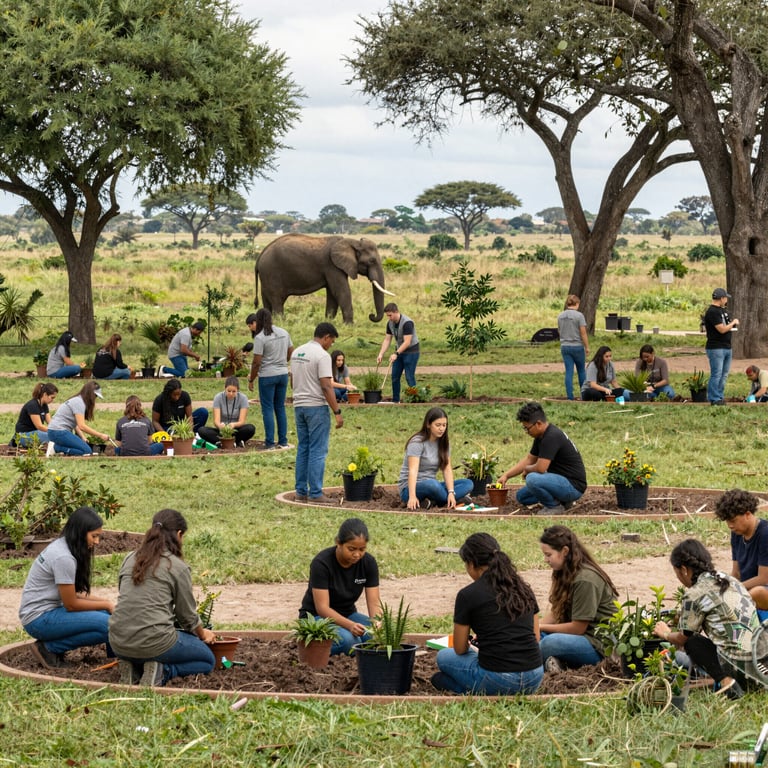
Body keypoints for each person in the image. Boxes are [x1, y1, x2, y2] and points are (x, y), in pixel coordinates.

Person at [109, 509, 216, 686]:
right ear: (179, 534)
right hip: (156, 642)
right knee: (206, 660)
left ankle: (133, 668)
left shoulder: (129, 558)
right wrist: (203, 633)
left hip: (118, 642)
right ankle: (163, 672)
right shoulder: (177, 566)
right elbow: (186, 616)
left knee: (146, 648)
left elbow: (126, 596)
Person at [431, 532, 544, 695]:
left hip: (499, 677)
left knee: (443, 657)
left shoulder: (467, 595)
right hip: (534, 676)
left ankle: (471, 690)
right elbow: (536, 637)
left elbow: (460, 649)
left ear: (471, 564)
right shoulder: (523, 588)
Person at [653, 538, 763, 699]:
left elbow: (683, 639)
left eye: (677, 573)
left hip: (740, 666)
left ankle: (727, 683)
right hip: (761, 661)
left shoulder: (694, 593)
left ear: (683, 570)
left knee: (693, 642)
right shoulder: (730, 580)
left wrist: (665, 633)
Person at [19, 506, 114, 669]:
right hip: (39, 619)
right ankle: (49, 648)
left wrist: (107, 603)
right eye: (94, 536)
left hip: (48, 612)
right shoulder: (63, 557)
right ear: (80, 532)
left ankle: (116, 658)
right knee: (111, 624)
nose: (97, 542)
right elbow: (71, 604)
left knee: (110, 617)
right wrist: (107, 605)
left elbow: (74, 594)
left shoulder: (64, 545)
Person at [538, 525, 619, 671]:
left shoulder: (585, 579)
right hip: (578, 638)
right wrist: (534, 629)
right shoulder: (565, 571)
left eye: (548, 555)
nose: (545, 559)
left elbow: (578, 628)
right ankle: (557, 662)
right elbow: (557, 612)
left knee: (548, 643)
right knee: (535, 637)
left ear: (564, 551)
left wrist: (541, 627)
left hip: (598, 645)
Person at [298, 518, 381, 656]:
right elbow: (322, 608)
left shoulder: (368, 563)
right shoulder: (322, 563)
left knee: (376, 637)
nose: (357, 554)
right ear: (338, 543)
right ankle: (309, 647)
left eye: (362, 549)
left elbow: (374, 602)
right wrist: (349, 625)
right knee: (350, 641)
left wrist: (377, 623)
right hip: (317, 618)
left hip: (348, 614)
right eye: (351, 549)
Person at [498, 402, 587, 514]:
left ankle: (554, 506)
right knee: (522, 496)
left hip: (573, 486)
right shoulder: (540, 436)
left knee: (532, 479)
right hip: (559, 481)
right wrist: (506, 475)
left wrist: (527, 469)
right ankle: (563, 502)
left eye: (527, 428)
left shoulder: (551, 437)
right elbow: (529, 459)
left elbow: (540, 468)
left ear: (538, 424)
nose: (526, 432)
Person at [290, 322, 343, 504]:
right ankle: (316, 493)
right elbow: (326, 386)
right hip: (316, 407)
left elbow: (292, 380)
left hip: (299, 406)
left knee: (303, 448)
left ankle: (300, 492)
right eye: (331, 341)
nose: (331, 345)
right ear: (326, 337)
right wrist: (337, 411)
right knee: (318, 450)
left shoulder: (297, 352)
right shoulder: (322, 356)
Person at [398, 407, 473, 510]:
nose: (441, 429)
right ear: (428, 424)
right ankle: (453, 499)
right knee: (433, 485)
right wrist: (412, 496)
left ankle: (437, 500)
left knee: (468, 483)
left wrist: (451, 492)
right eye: (438, 425)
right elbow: (413, 470)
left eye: (444, 425)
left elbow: (447, 469)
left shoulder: (444, 443)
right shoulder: (417, 442)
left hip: (434, 486)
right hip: (411, 488)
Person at [714, 489, 768, 611]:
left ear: (748, 514)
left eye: (733, 521)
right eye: (727, 521)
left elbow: (764, 578)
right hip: (745, 589)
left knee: (756, 592)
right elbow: (736, 573)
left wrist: (733, 588)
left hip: (762, 589)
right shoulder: (737, 533)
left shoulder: (765, 533)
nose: (730, 525)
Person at [246, 309, 293, 450]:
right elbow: (291, 350)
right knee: (280, 407)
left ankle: (270, 442)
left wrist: (251, 379)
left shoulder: (260, 337)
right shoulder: (284, 332)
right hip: (283, 374)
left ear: (259, 321)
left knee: (267, 408)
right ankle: (283, 441)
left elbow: (256, 362)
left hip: (267, 376)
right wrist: (283, 362)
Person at [47, 381, 109, 456]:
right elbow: (82, 426)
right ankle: (56, 448)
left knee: (83, 449)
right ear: (90, 394)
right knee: (86, 451)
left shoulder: (77, 400)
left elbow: (76, 424)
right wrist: (100, 435)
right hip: (59, 431)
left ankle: (60, 449)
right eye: (95, 396)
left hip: (55, 431)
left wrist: (82, 437)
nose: (95, 399)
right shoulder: (79, 403)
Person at [377, 302, 419, 403]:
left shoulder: (407, 323)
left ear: (396, 312)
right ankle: (396, 400)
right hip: (399, 352)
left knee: (409, 376)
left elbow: (407, 342)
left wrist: (396, 353)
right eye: (387, 316)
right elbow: (387, 339)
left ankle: (415, 400)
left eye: (390, 315)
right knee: (395, 376)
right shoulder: (390, 323)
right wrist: (381, 354)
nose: (389, 318)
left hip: (411, 351)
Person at [197, 376, 255, 447]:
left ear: (238, 390)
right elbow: (216, 421)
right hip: (222, 430)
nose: (231, 394)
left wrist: (233, 425)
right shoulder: (218, 397)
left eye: (234, 391)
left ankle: (233, 442)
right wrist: (220, 426)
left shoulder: (243, 398)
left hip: (236, 430)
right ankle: (226, 442)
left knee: (250, 428)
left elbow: (242, 421)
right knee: (202, 430)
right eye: (229, 391)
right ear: (225, 389)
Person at [704, 287, 739, 405]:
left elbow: (727, 326)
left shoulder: (723, 311)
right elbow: (722, 329)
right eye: (725, 298)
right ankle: (714, 398)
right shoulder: (712, 311)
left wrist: (732, 324)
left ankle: (719, 396)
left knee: (724, 374)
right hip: (716, 347)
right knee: (717, 373)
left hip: (727, 346)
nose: (726, 300)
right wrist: (733, 322)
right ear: (721, 298)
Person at [557, 295, 589, 401]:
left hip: (565, 346)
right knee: (581, 371)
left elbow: (559, 330)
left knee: (569, 371)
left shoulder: (560, 316)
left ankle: (570, 396)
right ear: (577, 304)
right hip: (577, 346)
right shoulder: (579, 316)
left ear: (567, 304)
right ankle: (584, 394)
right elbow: (583, 333)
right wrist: (587, 346)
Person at [12, 382, 58, 447]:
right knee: (51, 437)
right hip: (24, 435)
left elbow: (50, 423)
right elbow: (39, 426)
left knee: (56, 436)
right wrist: (54, 432)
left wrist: (58, 430)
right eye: (52, 397)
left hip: (35, 433)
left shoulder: (44, 405)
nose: (53, 400)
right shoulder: (33, 405)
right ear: (45, 394)